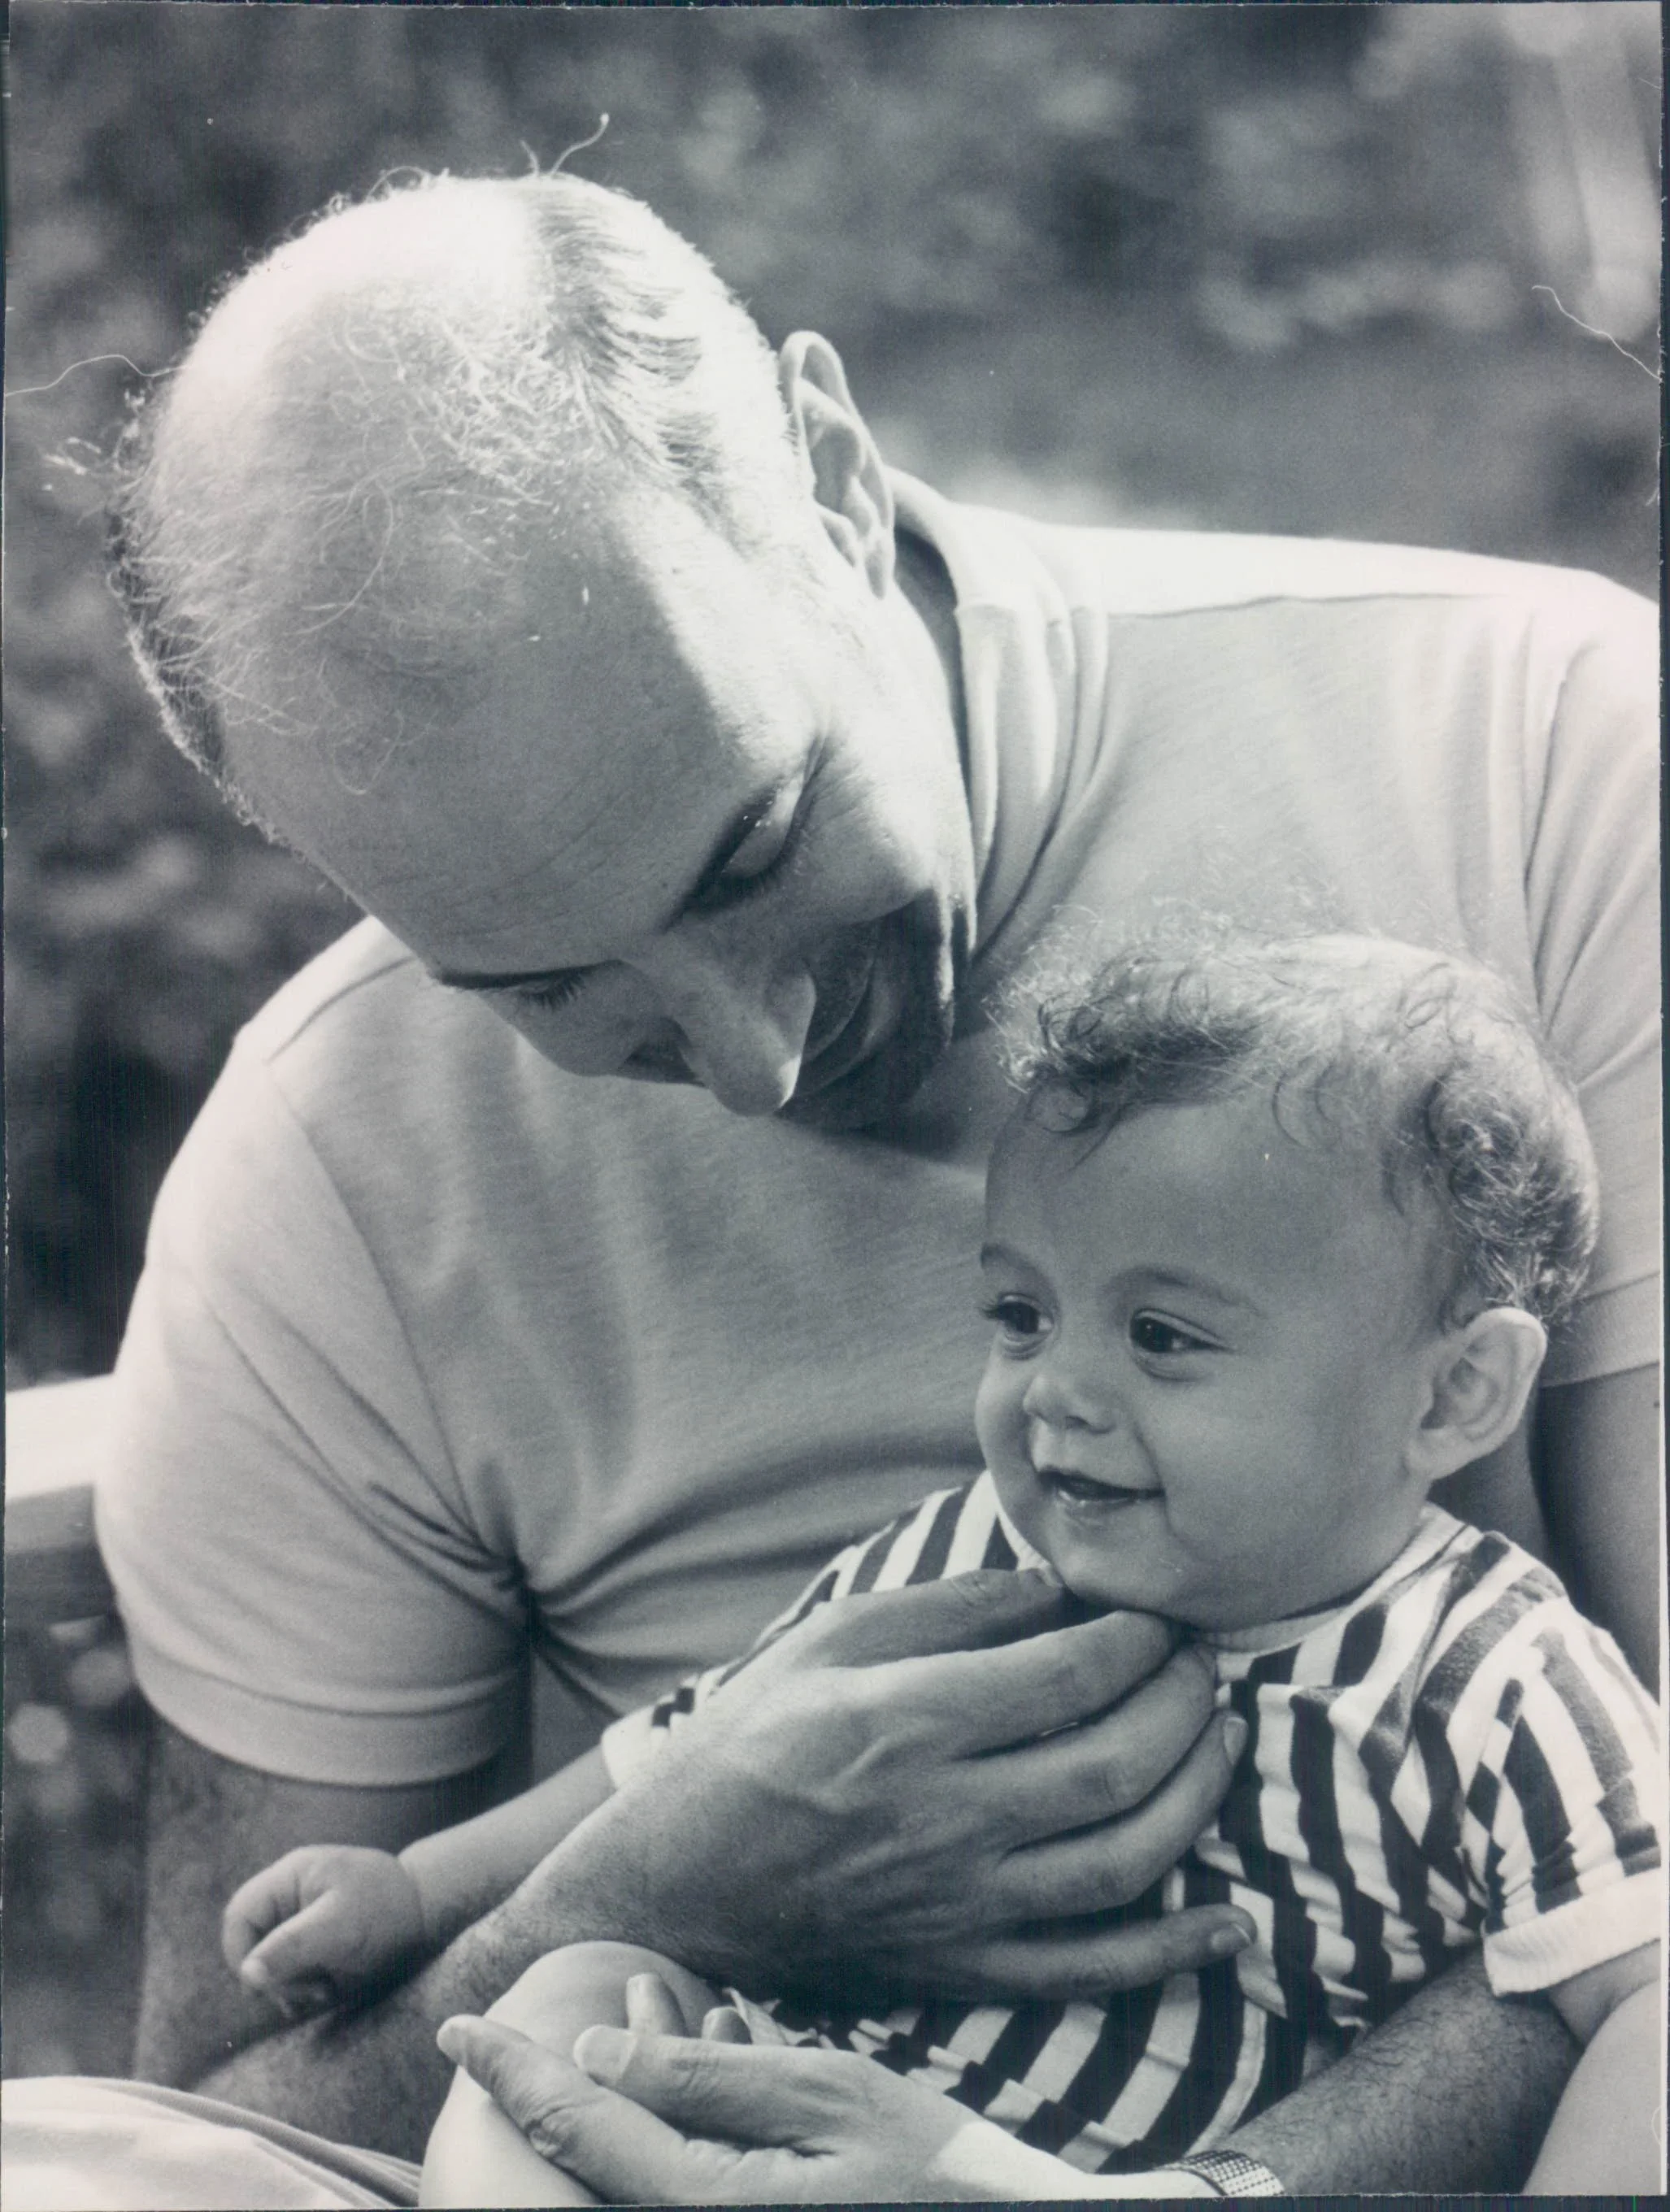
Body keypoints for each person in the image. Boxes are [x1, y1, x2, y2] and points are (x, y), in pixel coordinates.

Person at [68, 163, 1655, 2192]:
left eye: (751, 849)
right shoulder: (319, 1167)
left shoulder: (1544, 760)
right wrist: (640, 1892)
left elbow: (1647, 1910)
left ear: (827, 468)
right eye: (544, 988)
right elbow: (216, 2138)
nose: (756, 1061)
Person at [214, 932, 1666, 2201]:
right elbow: (682, 1754)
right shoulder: (980, 1547)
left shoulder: (1487, 1674)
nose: (1057, 1395)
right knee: (568, 2005)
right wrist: (414, 1890)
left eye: (1162, 1337)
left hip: (1113, 2169)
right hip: (787, 2106)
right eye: (1022, 1316)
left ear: (1452, 1395)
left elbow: (1645, 1990)